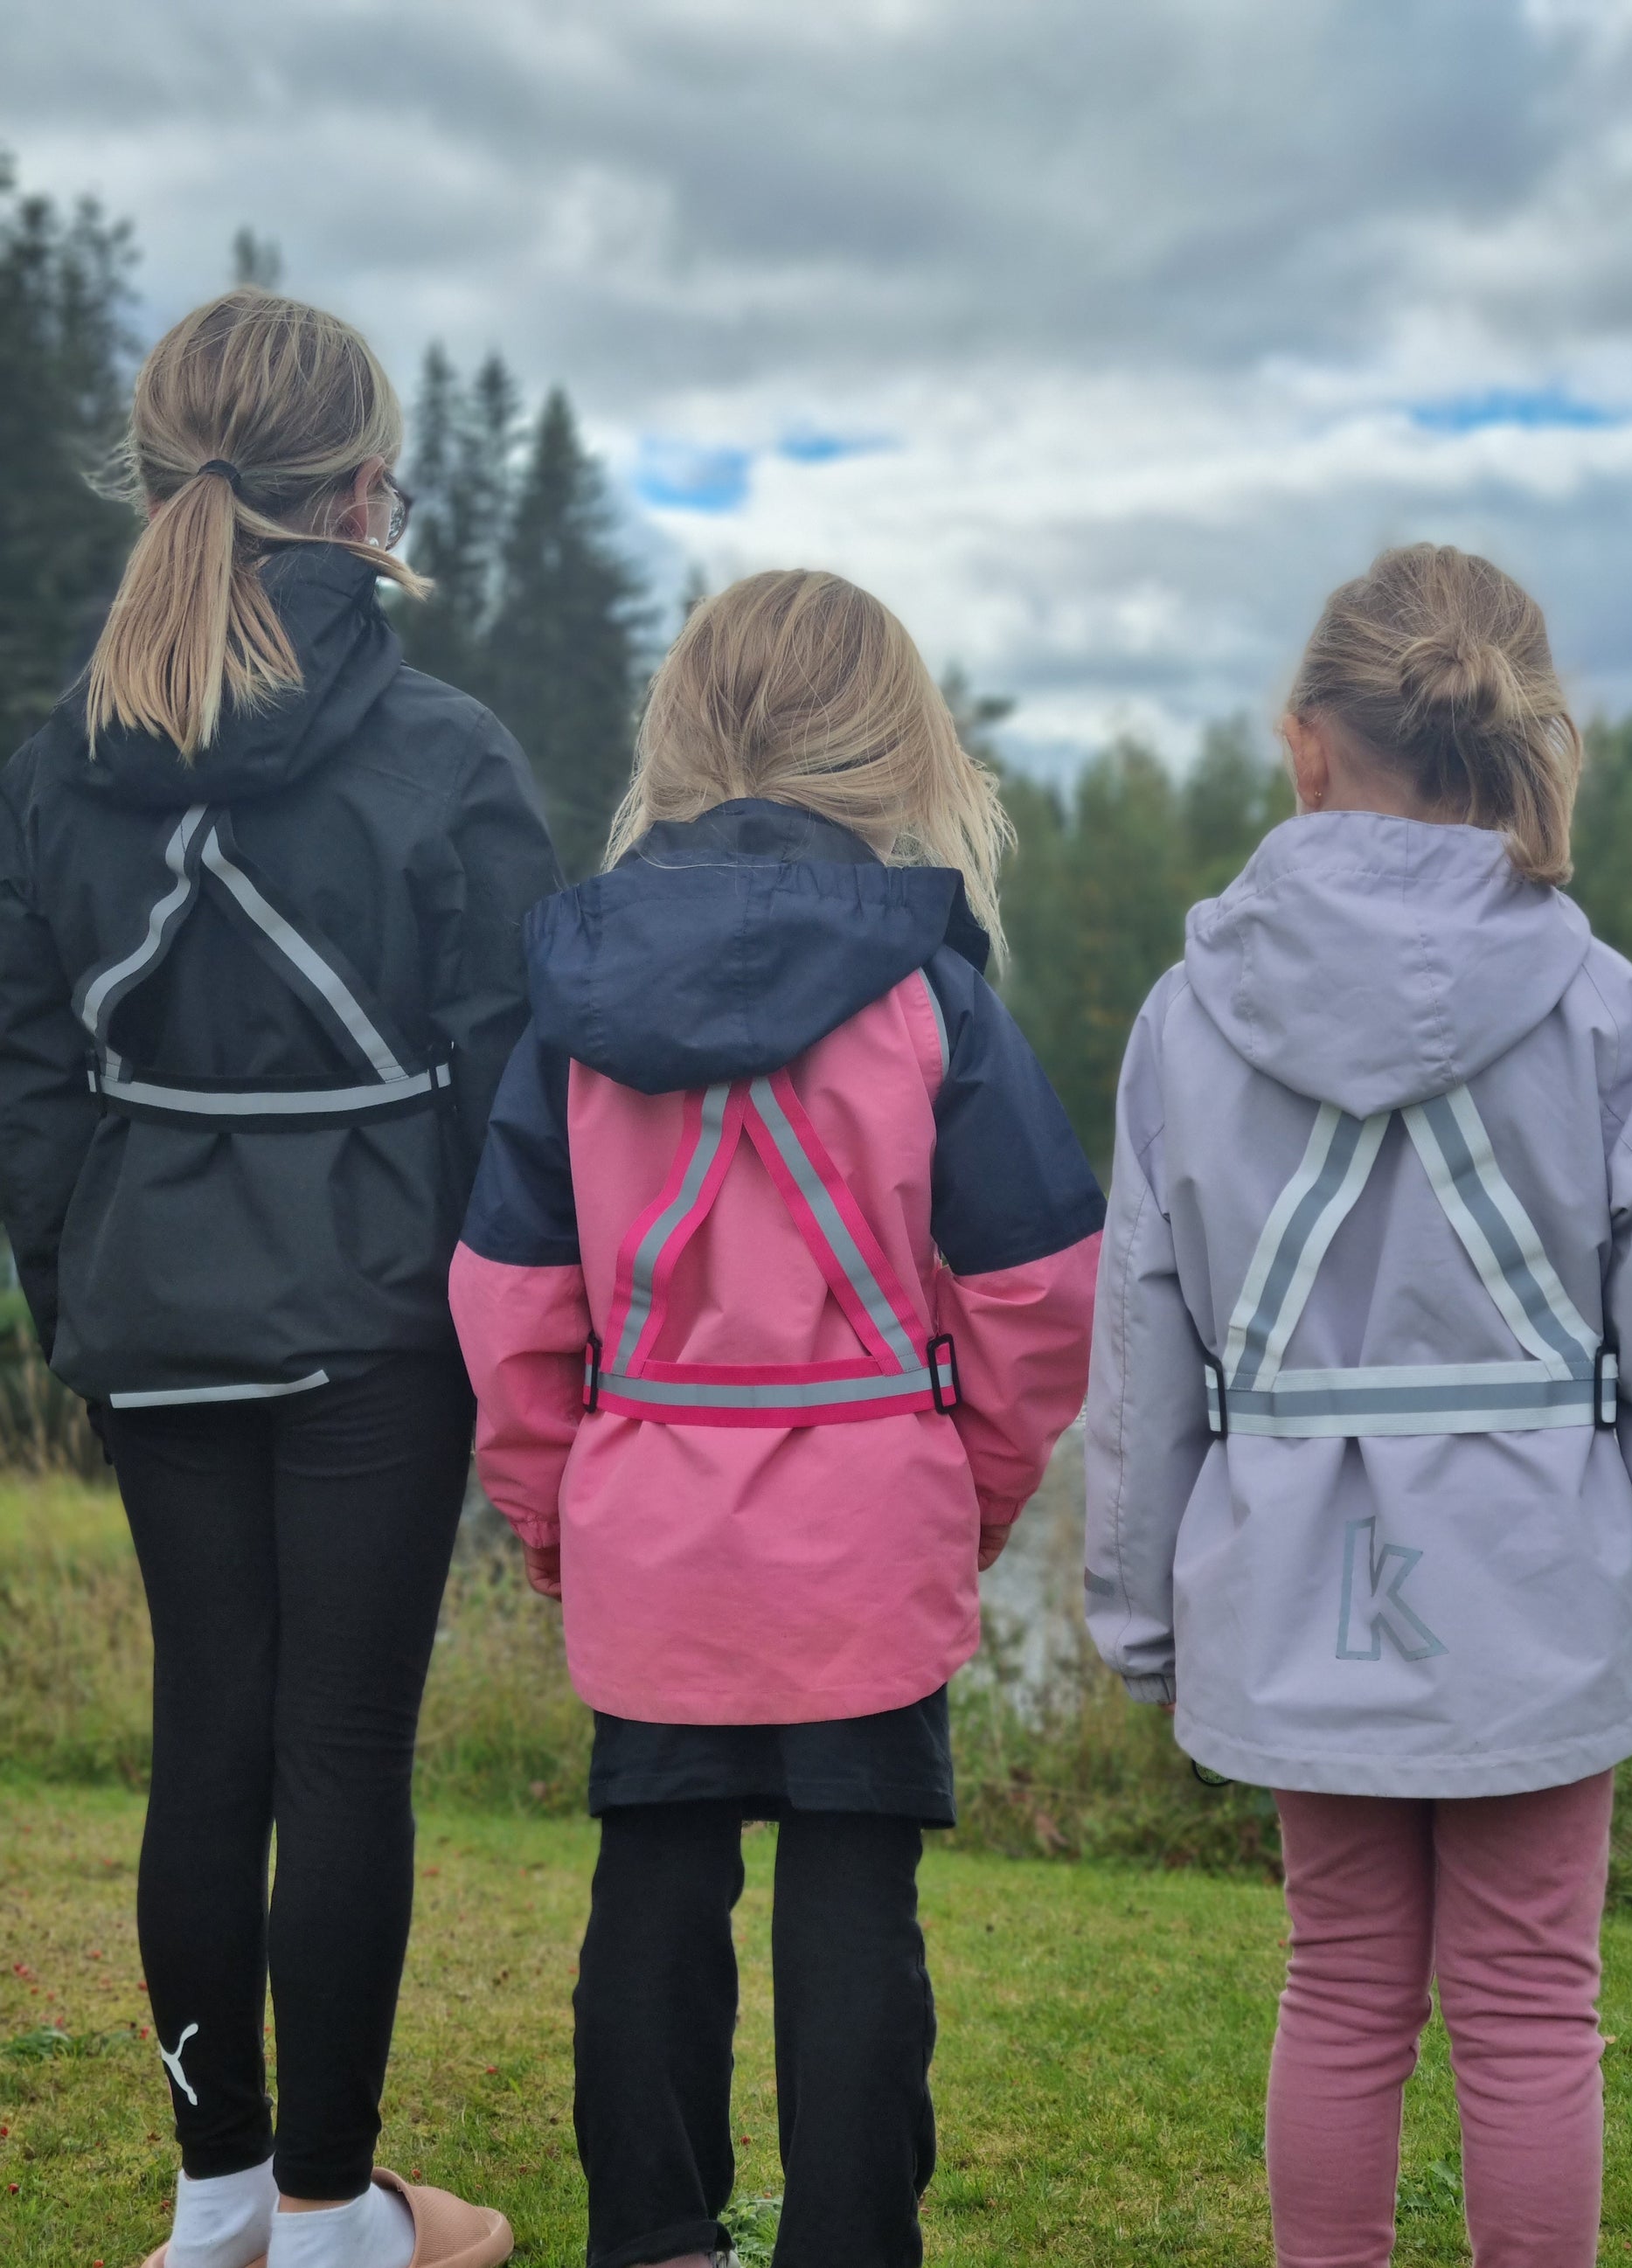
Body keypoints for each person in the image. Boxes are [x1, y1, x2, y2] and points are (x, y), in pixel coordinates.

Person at [0, 289, 561, 2268]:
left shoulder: (59, 763)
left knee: (204, 1746)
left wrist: (81, 1298)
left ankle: (217, 2200)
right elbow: (510, 1076)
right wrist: (519, 1337)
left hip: (155, 1308)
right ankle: (333, 2219)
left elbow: (32, 1069)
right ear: (355, 492)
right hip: (375, 1321)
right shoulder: (442, 749)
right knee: (338, 1753)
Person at [450, 568, 1103, 2268]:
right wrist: (965, 1496)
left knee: (653, 1881)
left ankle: (655, 2234)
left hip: (650, 1512)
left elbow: (512, 1304)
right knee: (853, 1897)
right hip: (869, 1512)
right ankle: (846, 2239)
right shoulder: (932, 998)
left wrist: (547, 1514)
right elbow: (1040, 1288)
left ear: (678, 732)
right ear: (898, 745)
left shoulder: (573, 1009)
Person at [1084, 541, 1632, 2268]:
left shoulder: (1187, 1019)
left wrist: (1140, 1622)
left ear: (1303, 742)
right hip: (1543, 1586)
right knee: (1528, 2004)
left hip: (1297, 1577)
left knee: (1339, 1981)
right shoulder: (1600, 1008)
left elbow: (1138, 1352)